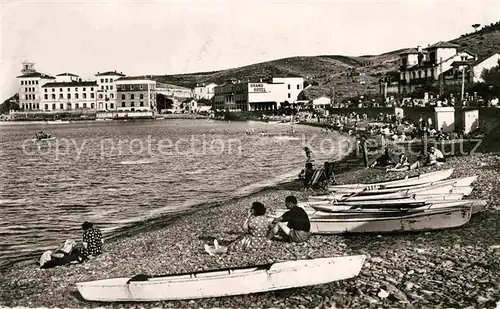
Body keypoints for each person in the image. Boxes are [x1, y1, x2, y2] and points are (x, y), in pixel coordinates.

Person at [204, 202, 270, 255]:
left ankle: (213, 251)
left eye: (252, 208)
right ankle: (219, 247)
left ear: (254, 210)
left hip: (252, 242)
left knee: (232, 247)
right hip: (261, 240)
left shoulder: (254, 220)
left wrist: (248, 217)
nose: (250, 209)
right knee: (236, 242)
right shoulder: (265, 219)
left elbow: (244, 228)